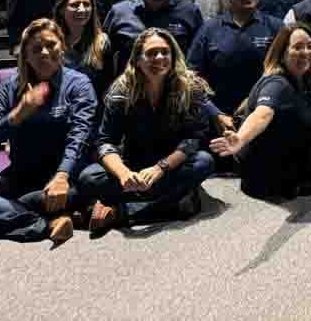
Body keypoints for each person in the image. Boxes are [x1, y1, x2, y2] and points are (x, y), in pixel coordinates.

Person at [0, 19, 98, 244]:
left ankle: (7, 215)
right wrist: (16, 116)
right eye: (35, 48)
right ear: (26, 55)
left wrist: (62, 175)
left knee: (80, 187)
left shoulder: (79, 84)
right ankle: (45, 223)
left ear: (63, 46)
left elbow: (80, 137)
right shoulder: (9, 87)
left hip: (62, 178)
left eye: (51, 45)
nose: (44, 52)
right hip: (18, 174)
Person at [81, 29, 215, 232]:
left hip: (171, 165)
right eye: (151, 53)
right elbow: (105, 141)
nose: (159, 57)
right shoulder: (121, 91)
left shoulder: (191, 87)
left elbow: (193, 140)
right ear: (137, 59)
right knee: (88, 177)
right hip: (134, 165)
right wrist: (123, 173)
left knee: (204, 162)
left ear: (173, 55)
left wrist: (160, 168)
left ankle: (124, 211)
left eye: (164, 52)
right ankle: (172, 203)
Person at [208, 21, 311, 199]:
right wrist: (240, 139)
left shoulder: (302, 77)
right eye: (297, 47)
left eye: (310, 46)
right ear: (283, 52)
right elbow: (263, 114)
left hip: (280, 159)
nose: (305, 52)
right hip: (265, 175)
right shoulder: (277, 84)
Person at [53, 0, 115, 100]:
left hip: (91, 112)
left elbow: (107, 86)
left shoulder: (102, 43)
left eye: (86, 4)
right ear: (61, 9)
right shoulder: (49, 42)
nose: (81, 9)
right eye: (75, 5)